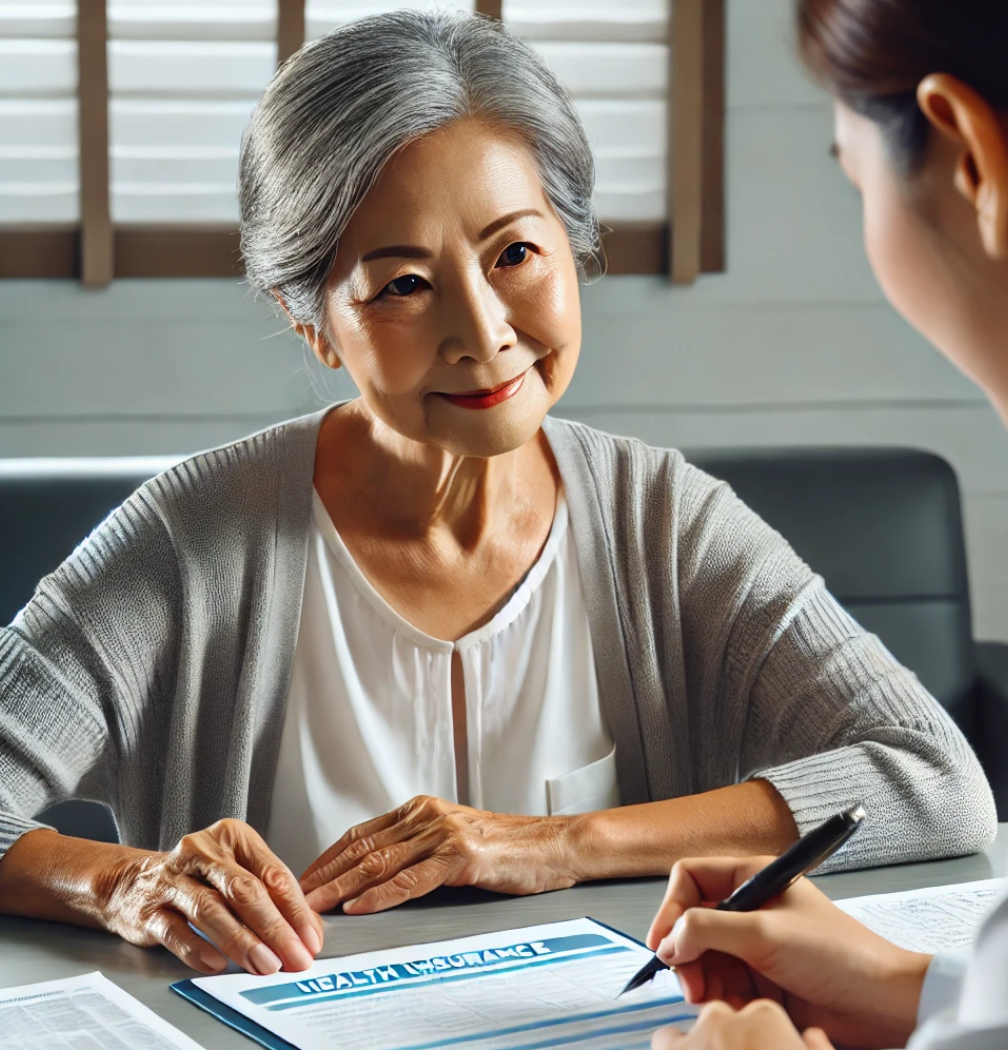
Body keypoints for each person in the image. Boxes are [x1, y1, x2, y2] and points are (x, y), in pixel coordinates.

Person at [0, 11, 995, 980]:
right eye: (402, 285)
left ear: (573, 248)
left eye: (515, 253)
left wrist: (556, 843)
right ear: (311, 322)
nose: (481, 332)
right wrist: (121, 883)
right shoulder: (190, 541)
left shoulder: (667, 523)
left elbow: (932, 781)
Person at [648, 0, 1008, 1046]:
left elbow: (932, 777)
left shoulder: (671, 512)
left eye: (854, 175)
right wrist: (920, 992)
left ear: (969, 158)